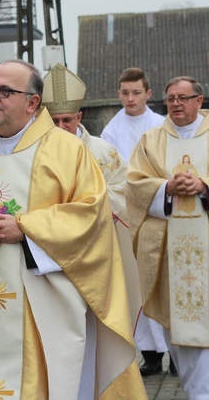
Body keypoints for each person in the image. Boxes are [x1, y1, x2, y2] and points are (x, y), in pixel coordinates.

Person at [0, 60, 145, 399]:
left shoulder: (69, 151)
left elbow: (90, 216)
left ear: (32, 102)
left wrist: (23, 229)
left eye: (5, 91)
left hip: (41, 304)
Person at [128, 76, 209, 398]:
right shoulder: (152, 140)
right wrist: (165, 188)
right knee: (181, 333)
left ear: (199, 101)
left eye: (183, 97)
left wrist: (203, 186)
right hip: (171, 261)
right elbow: (134, 186)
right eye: (171, 98)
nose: (176, 103)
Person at [41, 63, 141, 325]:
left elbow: (125, 193)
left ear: (79, 117)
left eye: (67, 120)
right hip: (50, 252)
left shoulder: (102, 151)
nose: (61, 126)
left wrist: (90, 206)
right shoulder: (34, 155)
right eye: (54, 121)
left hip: (96, 251)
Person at [100, 67, 169, 376]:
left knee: (164, 283)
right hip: (127, 218)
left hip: (159, 213)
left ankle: (177, 354)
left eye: (136, 93)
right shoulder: (110, 131)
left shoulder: (161, 125)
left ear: (148, 94)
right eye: (125, 93)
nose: (130, 98)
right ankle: (151, 354)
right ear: (119, 94)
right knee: (136, 285)